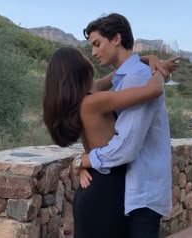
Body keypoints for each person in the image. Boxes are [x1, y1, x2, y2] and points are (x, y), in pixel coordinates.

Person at [43, 45, 177, 238]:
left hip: (97, 181)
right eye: (83, 55)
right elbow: (153, 89)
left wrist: (152, 58)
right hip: (107, 187)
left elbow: (120, 71)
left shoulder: (88, 94)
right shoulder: (93, 102)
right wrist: (159, 72)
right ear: (78, 66)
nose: (90, 55)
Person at [71, 13, 179, 238]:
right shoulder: (126, 77)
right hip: (131, 190)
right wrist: (147, 58)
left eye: (97, 44)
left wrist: (84, 160)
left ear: (116, 39)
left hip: (142, 193)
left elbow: (126, 145)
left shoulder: (136, 78)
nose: (94, 52)